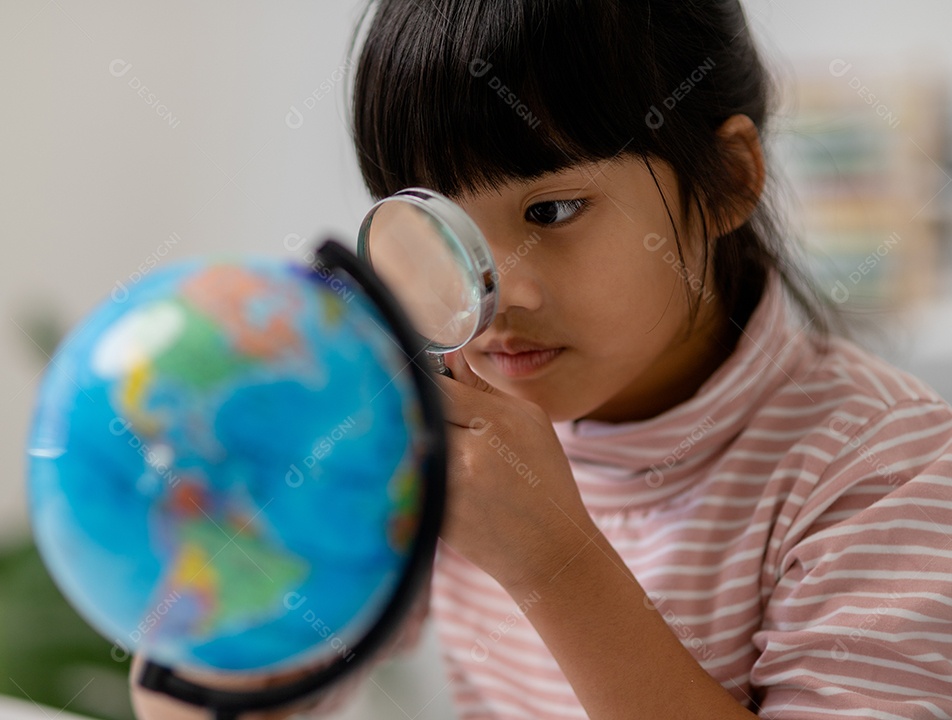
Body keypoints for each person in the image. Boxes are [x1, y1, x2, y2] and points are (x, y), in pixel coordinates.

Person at [134, 1, 952, 718]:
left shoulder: (888, 470)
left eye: (552, 208)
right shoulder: (437, 432)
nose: (496, 294)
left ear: (729, 179)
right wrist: (229, 570)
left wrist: (556, 566)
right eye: (443, 231)